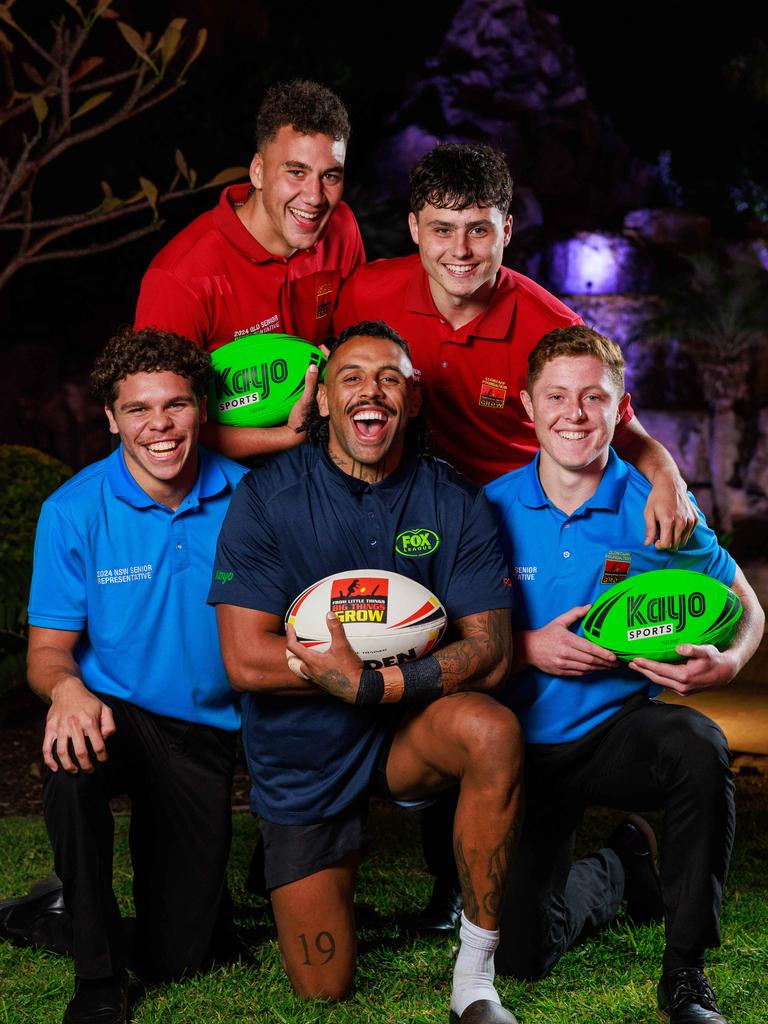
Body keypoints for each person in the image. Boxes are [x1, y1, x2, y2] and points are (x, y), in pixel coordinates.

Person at [334, 141, 699, 929]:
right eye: (441, 229)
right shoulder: (371, 289)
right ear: (413, 229)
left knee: (483, 675)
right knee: (423, 669)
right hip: (414, 510)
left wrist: (666, 475)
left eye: (478, 229)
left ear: (506, 231)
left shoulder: (544, 316)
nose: (459, 250)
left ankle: (569, 862)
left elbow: (617, 422)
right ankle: (434, 870)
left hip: (511, 519)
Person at [209, 321, 524, 1024]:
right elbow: (245, 658)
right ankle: (326, 870)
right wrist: (338, 676)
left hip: (409, 731)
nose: (370, 390)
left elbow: (492, 653)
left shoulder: (456, 500)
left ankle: (475, 973)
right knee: (324, 987)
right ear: (321, 398)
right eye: (350, 376)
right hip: (303, 751)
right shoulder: (266, 498)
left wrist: (376, 683)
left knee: (491, 730)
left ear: (411, 400)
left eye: (389, 377)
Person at [484, 325, 764, 1024]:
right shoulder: (486, 508)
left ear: (620, 407)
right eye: (556, 396)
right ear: (526, 405)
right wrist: (526, 649)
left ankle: (686, 972)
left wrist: (730, 659)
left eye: (592, 398)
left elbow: (745, 604)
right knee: (523, 953)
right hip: (519, 745)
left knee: (698, 745)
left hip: (615, 729)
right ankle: (621, 864)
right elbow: (449, 633)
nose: (574, 414)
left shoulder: (658, 506)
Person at [0, 328, 248, 1024]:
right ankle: (98, 977)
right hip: (110, 709)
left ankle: (46, 911)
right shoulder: (73, 510)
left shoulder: (248, 497)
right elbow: (46, 653)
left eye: (176, 405)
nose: (160, 426)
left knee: (183, 957)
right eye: (138, 410)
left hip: (201, 729)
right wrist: (69, 690)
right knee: (69, 767)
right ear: (111, 418)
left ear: (203, 408)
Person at [135, 79, 364, 461]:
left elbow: (353, 345)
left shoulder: (341, 227)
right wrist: (286, 436)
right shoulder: (180, 280)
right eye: (296, 172)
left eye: (330, 175)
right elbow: (162, 427)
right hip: (215, 468)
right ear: (257, 171)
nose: (314, 196)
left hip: (318, 448)